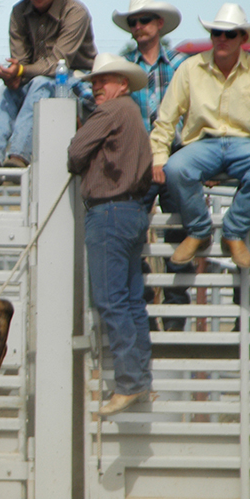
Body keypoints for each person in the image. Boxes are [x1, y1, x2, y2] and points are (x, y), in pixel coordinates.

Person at [67, 53, 153, 417]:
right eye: (94, 81)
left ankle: (129, 383)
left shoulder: (109, 112)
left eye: (104, 80)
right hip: (133, 211)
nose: (97, 87)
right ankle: (140, 381)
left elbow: (75, 153)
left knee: (111, 300)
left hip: (109, 212)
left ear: (122, 84)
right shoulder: (132, 112)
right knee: (132, 301)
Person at [155, 4, 250, 270]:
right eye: (217, 32)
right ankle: (200, 230)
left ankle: (233, 231)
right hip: (203, 143)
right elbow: (166, 117)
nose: (222, 38)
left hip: (245, 144)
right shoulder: (190, 68)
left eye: (230, 34)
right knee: (175, 168)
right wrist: (158, 156)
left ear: (242, 37)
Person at [113, 0, 190, 330]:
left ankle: (174, 315)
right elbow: (90, 90)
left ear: (159, 24)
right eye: (134, 21)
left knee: (178, 232)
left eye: (144, 20)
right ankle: (141, 310)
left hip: (174, 156)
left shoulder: (181, 64)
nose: (139, 26)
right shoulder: (123, 67)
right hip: (137, 160)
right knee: (132, 234)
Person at [0, 0, 97, 167]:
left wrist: (20, 71)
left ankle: (19, 154)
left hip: (79, 81)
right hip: (38, 81)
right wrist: (12, 77)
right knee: (5, 92)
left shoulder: (75, 12)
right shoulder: (19, 12)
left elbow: (58, 64)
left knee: (40, 83)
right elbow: (21, 62)